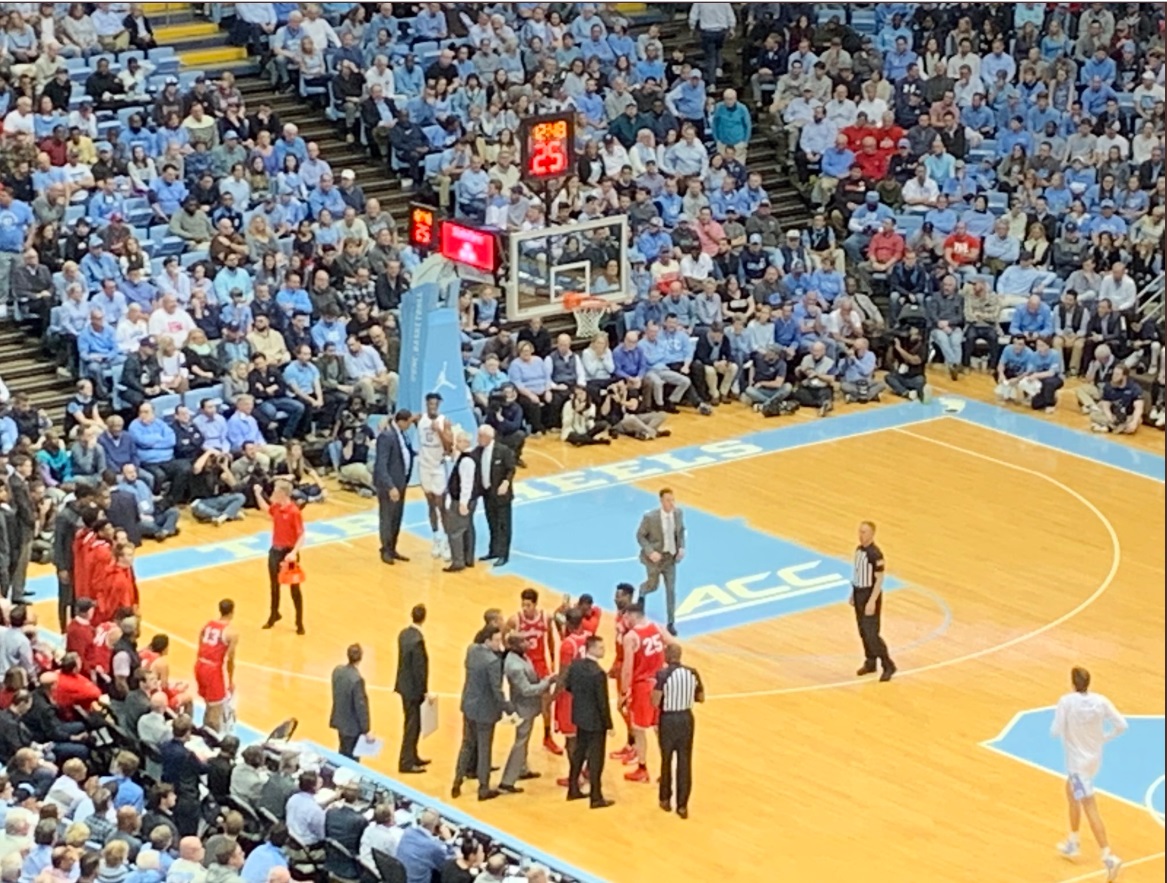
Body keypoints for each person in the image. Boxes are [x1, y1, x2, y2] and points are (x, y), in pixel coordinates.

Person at [1052, 667, 1127, 881]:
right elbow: (1121, 725)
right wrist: (1104, 737)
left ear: (1072, 683)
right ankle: (1073, 842)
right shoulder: (1101, 701)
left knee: (1089, 806)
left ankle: (1108, 856)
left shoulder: (1066, 702)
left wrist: (1066, 724)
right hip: (1093, 760)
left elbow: (1056, 730)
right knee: (1071, 793)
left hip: (1078, 765)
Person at [451, 625, 511, 802]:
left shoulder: (471, 650)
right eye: (497, 640)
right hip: (485, 711)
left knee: (467, 744)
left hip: (469, 705)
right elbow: (496, 690)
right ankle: (483, 788)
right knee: (484, 750)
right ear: (488, 641)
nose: (500, 644)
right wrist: (508, 707)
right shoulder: (492, 662)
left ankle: (457, 780)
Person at [620, 601, 672, 784]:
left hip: (642, 687)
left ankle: (642, 769)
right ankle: (667, 771)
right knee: (660, 729)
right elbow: (674, 645)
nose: (624, 620)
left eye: (626, 617)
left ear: (633, 616)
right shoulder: (657, 627)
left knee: (639, 730)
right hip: (661, 684)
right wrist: (664, 664)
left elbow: (627, 669)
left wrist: (623, 691)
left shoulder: (631, 637)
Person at [652, 643, 704, 819]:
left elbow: (654, 701)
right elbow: (701, 697)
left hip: (668, 719)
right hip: (686, 719)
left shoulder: (662, 675)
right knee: (684, 762)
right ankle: (682, 806)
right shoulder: (692, 672)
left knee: (666, 760)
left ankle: (665, 799)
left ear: (668, 656)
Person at [504, 588, 559, 756]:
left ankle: (547, 736)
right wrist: (512, 654)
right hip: (525, 664)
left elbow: (550, 640)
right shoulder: (515, 620)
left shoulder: (545, 618)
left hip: (541, 664)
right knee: (524, 700)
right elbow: (505, 636)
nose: (525, 608)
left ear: (535, 604)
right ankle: (522, 734)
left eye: (528, 605)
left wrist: (553, 659)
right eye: (523, 605)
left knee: (546, 702)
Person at [563, 635, 614, 809]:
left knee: (579, 753)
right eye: (600, 647)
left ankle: (573, 788)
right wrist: (609, 724)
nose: (603, 650)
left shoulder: (576, 665)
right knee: (596, 759)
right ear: (590, 648)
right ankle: (596, 796)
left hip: (580, 716)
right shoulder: (598, 673)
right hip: (596, 722)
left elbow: (568, 686)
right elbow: (602, 702)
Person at [498, 633, 552, 794]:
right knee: (520, 742)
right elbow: (527, 690)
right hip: (523, 708)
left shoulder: (521, 657)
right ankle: (507, 781)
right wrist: (546, 682)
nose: (529, 643)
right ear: (516, 645)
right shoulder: (514, 666)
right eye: (524, 641)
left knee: (524, 740)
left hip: (527, 707)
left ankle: (522, 769)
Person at [254, 479, 305, 634]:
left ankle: (299, 621)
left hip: (288, 554)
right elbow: (265, 508)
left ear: (283, 493)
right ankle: (274, 614)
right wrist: (257, 493)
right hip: (275, 551)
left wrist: (293, 552)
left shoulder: (293, 512)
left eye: (276, 490)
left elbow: (301, 535)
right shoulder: (276, 507)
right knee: (274, 585)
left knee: (294, 587)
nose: (273, 493)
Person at [636, 488, 686, 635]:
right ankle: (642, 593)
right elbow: (640, 536)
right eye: (668, 500)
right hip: (654, 559)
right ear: (661, 501)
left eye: (673, 500)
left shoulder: (678, 513)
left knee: (671, 590)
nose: (672, 503)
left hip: (670, 559)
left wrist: (681, 547)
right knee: (653, 586)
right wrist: (650, 552)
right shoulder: (650, 517)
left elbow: (681, 531)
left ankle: (671, 622)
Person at [852, 521, 895, 682]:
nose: (860, 535)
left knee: (872, 634)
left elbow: (879, 580)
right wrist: (853, 593)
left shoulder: (875, 554)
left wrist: (872, 601)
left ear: (872, 534)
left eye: (864, 532)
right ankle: (870, 662)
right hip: (859, 594)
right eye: (860, 531)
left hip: (870, 595)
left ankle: (888, 664)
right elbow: (857, 573)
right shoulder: (858, 550)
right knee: (863, 631)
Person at [415, 393, 452, 561]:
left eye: (435, 405)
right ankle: (436, 537)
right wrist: (386, 421)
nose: (432, 407)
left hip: (438, 466)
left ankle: (446, 540)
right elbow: (400, 419)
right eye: (430, 404)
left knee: (441, 504)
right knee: (430, 503)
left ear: (439, 405)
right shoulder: (419, 419)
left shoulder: (444, 421)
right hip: (424, 466)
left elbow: (449, 446)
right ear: (426, 404)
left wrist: (440, 431)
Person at [372, 409, 412, 565]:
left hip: (401, 482)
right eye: (408, 422)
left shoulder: (401, 434)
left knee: (396, 518)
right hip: (390, 485)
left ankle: (393, 548)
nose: (410, 425)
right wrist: (390, 486)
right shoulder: (386, 436)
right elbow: (381, 465)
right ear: (402, 421)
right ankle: (385, 550)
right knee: (387, 518)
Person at [394, 604, 430, 775]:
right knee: (412, 726)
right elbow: (419, 669)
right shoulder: (417, 640)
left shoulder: (404, 634)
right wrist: (424, 691)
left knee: (412, 724)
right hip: (413, 690)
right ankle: (406, 762)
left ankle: (412, 755)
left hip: (404, 686)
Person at [193, 599, 238, 735]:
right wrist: (230, 681)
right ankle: (209, 739)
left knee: (209, 704)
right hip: (212, 669)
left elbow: (201, 644)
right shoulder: (231, 632)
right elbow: (230, 660)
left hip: (199, 664)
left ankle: (204, 731)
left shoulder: (207, 625)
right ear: (232, 611)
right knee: (216, 708)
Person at [441, 431, 479, 574]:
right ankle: (468, 558)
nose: (457, 444)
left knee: (455, 531)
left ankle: (458, 561)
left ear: (467, 443)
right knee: (467, 528)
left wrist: (463, 503)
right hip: (469, 500)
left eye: (460, 441)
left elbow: (467, 484)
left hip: (462, 501)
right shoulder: (466, 456)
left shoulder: (467, 461)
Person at [477, 425, 514, 567]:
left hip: (501, 495)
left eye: (480, 436)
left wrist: (506, 482)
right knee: (492, 523)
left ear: (488, 437)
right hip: (487, 494)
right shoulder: (479, 451)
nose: (478, 439)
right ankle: (494, 550)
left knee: (504, 525)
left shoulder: (503, 451)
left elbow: (511, 468)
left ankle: (504, 555)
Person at [329, 644, 370, 760]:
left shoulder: (337, 671)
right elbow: (361, 707)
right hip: (352, 727)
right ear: (361, 658)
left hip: (340, 720)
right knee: (352, 759)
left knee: (342, 752)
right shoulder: (357, 680)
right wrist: (366, 730)